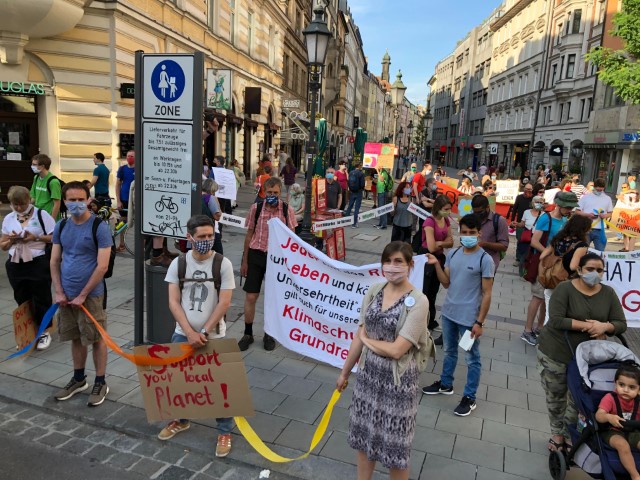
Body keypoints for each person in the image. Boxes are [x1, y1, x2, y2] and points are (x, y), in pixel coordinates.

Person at [336, 241, 431, 479]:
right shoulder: (375, 291)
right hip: (368, 377)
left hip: (398, 383)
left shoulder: (419, 301)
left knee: (395, 449)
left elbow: (398, 349)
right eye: (387, 261)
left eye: (398, 262)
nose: (391, 267)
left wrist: (367, 341)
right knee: (363, 439)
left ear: (410, 265)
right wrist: (345, 373)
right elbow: (359, 336)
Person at [159, 215, 235, 457]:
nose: (206, 240)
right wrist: (189, 332)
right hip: (183, 334)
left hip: (214, 336)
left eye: (210, 236)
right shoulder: (178, 264)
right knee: (180, 380)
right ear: (189, 237)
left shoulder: (222, 264)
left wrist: (203, 332)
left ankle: (224, 430)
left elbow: (224, 303)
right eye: (201, 237)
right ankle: (181, 419)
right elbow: (173, 301)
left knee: (219, 384)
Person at [537, 253, 627, 452]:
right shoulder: (565, 289)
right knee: (557, 394)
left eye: (599, 270)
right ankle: (557, 435)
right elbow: (557, 320)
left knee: (578, 398)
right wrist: (591, 327)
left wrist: (605, 326)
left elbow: (621, 324)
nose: (595, 274)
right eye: (590, 269)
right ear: (579, 270)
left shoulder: (608, 293)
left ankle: (570, 434)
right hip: (557, 351)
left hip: (588, 358)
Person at [422, 214, 495, 416]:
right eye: (464, 232)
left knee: (471, 358)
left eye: (472, 233)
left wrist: (479, 322)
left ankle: (469, 397)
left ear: (479, 234)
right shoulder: (453, 254)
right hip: (449, 314)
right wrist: (436, 264)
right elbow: (446, 282)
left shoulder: (484, 259)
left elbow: (487, 293)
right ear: (460, 233)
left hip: (468, 320)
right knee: (450, 351)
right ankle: (446, 384)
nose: (468, 236)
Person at [50, 181, 112, 406]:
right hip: (66, 294)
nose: (76, 204)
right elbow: (55, 259)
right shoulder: (62, 226)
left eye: (80, 200)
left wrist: (83, 295)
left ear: (88, 200)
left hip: (91, 295)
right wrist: (59, 291)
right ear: (64, 201)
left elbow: (102, 266)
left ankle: (101, 381)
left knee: (96, 339)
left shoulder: (99, 227)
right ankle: (78, 378)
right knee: (75, 337)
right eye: (71, 200)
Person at [239, 177, 297, 351]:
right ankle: (248, 333)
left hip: (276, 260)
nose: (272, 195)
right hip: (256, 255)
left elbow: (292, 238)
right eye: (269, 192)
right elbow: (249, 234)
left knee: (273, 299)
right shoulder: (256, 209)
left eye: (276, 193)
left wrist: (291, 264)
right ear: (264, 192)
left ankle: (269, 334)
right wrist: (245, 260)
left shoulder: (287, 210)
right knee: (251, 296)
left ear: (281, 193)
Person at [1, 186, 56, 350]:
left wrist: (35, 237)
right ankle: (28, 331)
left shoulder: (41, 214)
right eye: (15, 204)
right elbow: (3, 245)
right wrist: (11, 240)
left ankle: (45, 330)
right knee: (22, 297)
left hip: (37, 261)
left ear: (28, 200)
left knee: (42, 296)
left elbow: (55, 238)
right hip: (16, 263)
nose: (18, 208)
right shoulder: (9, 218)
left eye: (22, 204)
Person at [539, 214, 592, 326]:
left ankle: (543, 337)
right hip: (565, 282)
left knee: (549, 311)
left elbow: (542, 256)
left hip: (551, 280)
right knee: (561, 314)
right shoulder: (581, 245)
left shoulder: (558, 238)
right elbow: (573, 266)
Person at [596, 364, 640, 480]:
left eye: (632, 387)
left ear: (639, 389)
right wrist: (608, 417)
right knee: (622, 445)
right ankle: (635, 475)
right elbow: (599, 415)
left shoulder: (638, 401)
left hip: (633, 432)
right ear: (615, 384)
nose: (625, 390)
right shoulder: (610, 398)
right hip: (612, 431)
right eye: (621, 385)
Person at [516, 195, 546, 345]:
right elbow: (523, 224)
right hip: (532, 245)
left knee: (546, 299)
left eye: (541, 202)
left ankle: (541, 327)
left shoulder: (546, 215)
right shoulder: (530, 213)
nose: (539, 204)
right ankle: (528, 330)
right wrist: (518, 224)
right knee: (524, 257)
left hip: (549, 259)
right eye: (537, 202)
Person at [421, 195, 453, 331]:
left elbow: (451, 242)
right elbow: (431, 247)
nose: (449, 212)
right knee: (424, 292)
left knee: (434, 292)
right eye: (446, 209)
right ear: (439, 208)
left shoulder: (445, 220)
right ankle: (421, 321)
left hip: (439, 259)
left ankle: (431, 320)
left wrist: (440, 242)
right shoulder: (429, 222)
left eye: (450, 209)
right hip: (427, 259)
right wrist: (442, 243)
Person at [471, 195, 509, 272]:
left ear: (487, 207)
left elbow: (504, 246)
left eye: (480, 212)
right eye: (475, 212)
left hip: (489, 263)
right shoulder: (471, 218)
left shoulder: (499, 221)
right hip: (471, 261)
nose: (477, 214)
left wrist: (484, 244)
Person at [575, 178, 613, 251]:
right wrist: (588, 215)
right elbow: (577, 211)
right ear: (594, 187)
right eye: (597, 188)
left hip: (600, 229)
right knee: (582, 251)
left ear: (603, 188)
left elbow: (610, 213)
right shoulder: (586, 197)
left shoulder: (607, 198)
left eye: (601, 189)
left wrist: (605, 216)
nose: (598, 190)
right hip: (586, 228)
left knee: (600, 251)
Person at [30, 153, 62, 220]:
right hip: (38, 215)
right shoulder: (36, 178)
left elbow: (57, 203)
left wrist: (52, 220)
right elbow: (33, 197)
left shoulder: (53, 182)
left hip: (48, 216)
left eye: (34, 165)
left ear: (42, 166)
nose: (32, 166)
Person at [115, 150, 135, 252]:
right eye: (128, 156)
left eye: (131, 156)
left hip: (135, 200)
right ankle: (121, 243)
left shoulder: (140, 168)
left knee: (139, 222)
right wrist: (118, 200)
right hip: (124, 199)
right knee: (122, 221)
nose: (129, 158)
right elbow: (118, 184)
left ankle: (142, 245)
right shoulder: (122, 169)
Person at [616, 186, 639, 252]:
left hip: (635, 221)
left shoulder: (638, 201)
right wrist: (629, 191)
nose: (633, 194)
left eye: (635, 194)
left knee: (633, 235)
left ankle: (631, 249)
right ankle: (626, 248)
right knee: (625, 234)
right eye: (631, 193)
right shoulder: (626, 200)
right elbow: (620, 195)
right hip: (626, 220)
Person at [344, 162, 365, 228]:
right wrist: (362, 189)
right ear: (360, 166)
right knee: (357, 208)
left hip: (352, 191)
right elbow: (362, 184)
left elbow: (348, 181)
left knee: (350, 206)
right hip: (358, 192)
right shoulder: (361, 174)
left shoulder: (351, 172)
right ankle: (354, 223)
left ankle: (346, 222)